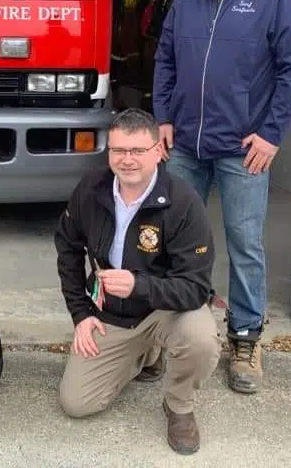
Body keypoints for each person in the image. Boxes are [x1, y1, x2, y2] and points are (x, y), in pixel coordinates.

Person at [152, 0, 291, 395]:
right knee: (171, 238)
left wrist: (270, 133)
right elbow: (165, 60)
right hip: (186, 145)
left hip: (244, 149)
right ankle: (169, 331)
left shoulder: (274, 1)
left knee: (245, 243)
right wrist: (163, 117)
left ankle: (245, 338)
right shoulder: (187, 1)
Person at [54, 108, 221, 456]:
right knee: (76, 403)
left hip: (165, 309)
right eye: (118, 151)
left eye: (137, 151)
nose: (127, 160)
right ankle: (145, 354)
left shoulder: (184, 202)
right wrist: (81, 315)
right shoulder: (90, 189)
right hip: (110, 313)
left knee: (201, 337)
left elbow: (195, 288)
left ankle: (179, 406)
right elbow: (67, 249)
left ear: (158, 151)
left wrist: (138, 286)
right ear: (109, 152)